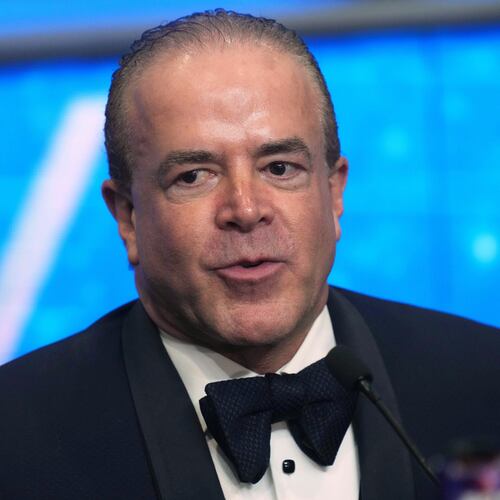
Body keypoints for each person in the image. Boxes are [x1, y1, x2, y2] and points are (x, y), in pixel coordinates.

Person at [1, 9, 499, 500]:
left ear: (334, 192)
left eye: (280, 167)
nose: (245, 209)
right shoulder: (17, 437)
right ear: (127, 217)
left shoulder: (483, 379)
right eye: (194, 176)